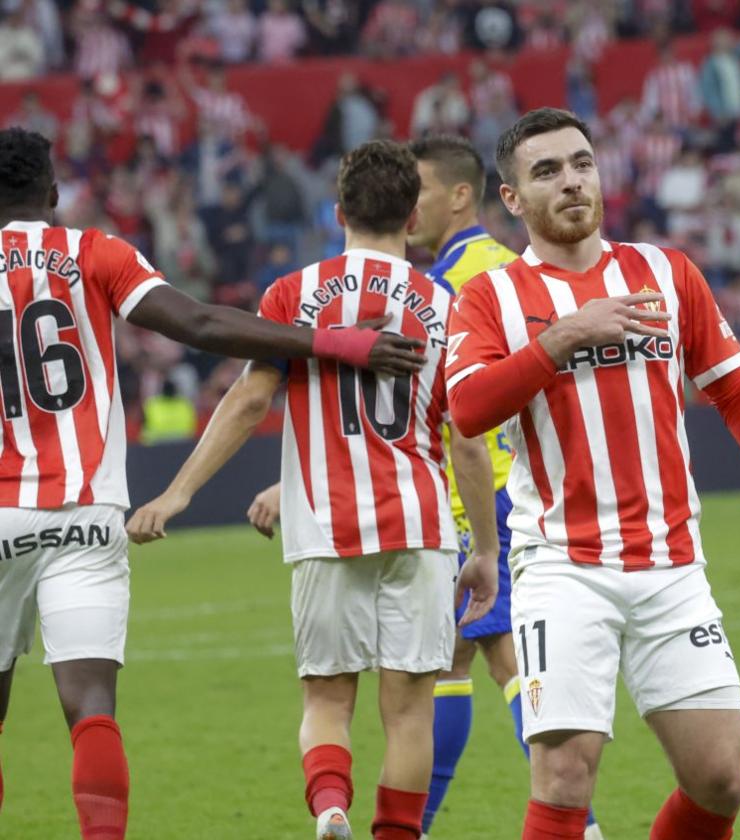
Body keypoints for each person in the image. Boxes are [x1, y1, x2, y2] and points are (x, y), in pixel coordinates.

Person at [0, 127, 423, 840]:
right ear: (53, 193)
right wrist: (334, 341)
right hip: (85, 512)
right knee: (92, 707)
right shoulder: (93, 253)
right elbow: (198, 322)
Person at [443, 107, 740, 840]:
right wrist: (561, 338)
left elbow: (732, 388)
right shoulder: (492, 298)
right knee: (563, 775)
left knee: (722, 777)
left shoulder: (664, 271)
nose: (571, 182)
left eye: (582, 163)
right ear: (514, 198)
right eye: (548, 171)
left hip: (671, 562)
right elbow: (467, 407)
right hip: (562, 563)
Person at [126, 139, 501, 840]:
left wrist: (178, 492)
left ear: (337, 213)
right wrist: (482, 545)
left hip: (325, 524)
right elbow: (470, 441)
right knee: (410, 711)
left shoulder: (293, 294)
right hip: (419, 527)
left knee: (327, 701)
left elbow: (246, 402)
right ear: (413, 210)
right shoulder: (445, 303)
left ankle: (331, 807)